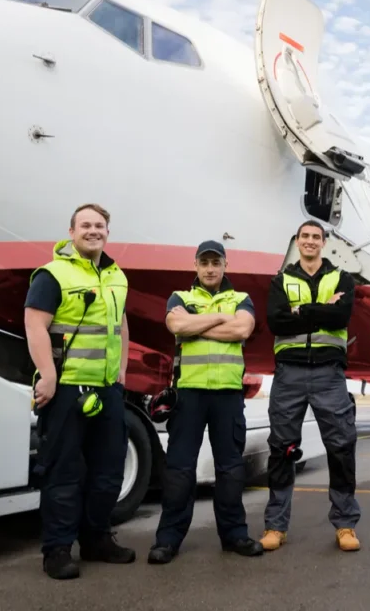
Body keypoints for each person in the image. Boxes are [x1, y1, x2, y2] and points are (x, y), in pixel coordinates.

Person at [25, 202, 136, 580]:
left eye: (100, 225)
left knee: (108, 473)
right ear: (71, 232)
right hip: (67, 389)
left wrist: (121, 372)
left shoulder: (117, 277)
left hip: (107, 390)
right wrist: (48, 376)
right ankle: (56, 550)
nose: (93, 230)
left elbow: (119, 325)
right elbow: (35, 324)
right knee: (63, 472)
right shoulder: (52, 275)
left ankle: (96, 540)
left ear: (108, 232)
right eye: (85, 225)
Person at [148, 240, 266, 563]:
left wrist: (198, 323)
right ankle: (168, 539)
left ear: (225, 265)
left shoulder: (241, 299)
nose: (211, 268)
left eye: (216, 263)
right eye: (205, 263)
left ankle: (234, 535)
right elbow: (177, 325)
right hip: (189, 395)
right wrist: (219, 319)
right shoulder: (181, 298)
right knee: (179, 470)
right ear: (196, 266)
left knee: (230, 470)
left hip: (228, 395)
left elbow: (243, 329)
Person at [259, 220, 361, 552]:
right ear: (297, 241)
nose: (310, 242)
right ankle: (276, 526)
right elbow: (276, 320)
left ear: (324, 243)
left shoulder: (342, 278)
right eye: (305, 237)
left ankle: (345, 525)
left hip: (329, 373)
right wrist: (321, 309)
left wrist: (300, 310)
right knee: (281, 449)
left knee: (341, 447)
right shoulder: (281, 279)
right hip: (289, 372)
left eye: (316, 237)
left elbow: (341, 317)